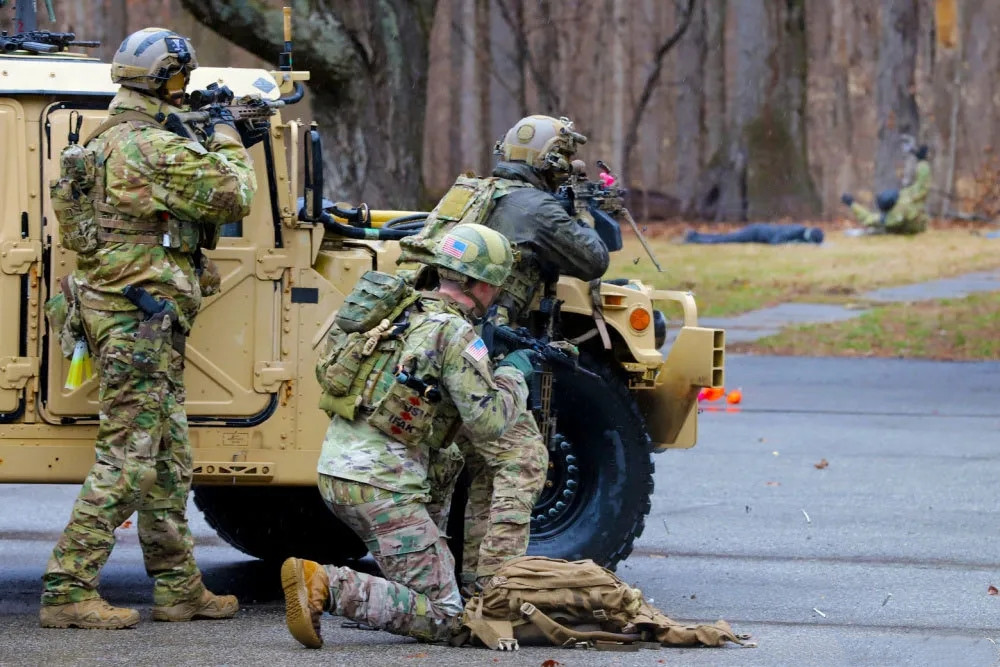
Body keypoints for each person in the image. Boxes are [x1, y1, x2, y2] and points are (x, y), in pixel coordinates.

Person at [40, 27, 258, 629]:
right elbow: (234, 194)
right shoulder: (150, 148)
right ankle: (66, 588)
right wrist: (228, 135)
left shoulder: (113, 139)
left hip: (136, 313)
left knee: (168, 457)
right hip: (139, 318)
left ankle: (178, 587)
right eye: (181, 81)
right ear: (168, 80)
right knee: (130, 457)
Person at [282, 224, 534, 648]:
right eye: (493, 284)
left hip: (338, 474)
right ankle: (326, 584)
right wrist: (514, 374)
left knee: (422, 584)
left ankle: (381, 603)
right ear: (475, 283)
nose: (495, 294)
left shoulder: (395, 311)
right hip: (384, 489)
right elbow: (490, 422)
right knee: (447, 616)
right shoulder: (453, 333)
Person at [401, 115, 610, 592]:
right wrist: (577, 209)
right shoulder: (536, 207)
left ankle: (446, 585)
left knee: (464, 464)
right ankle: (491, 588)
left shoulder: (470, 193)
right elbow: (594, 257)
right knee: (518, 459)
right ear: (550, 162)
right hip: (484, 347)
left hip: (437, 340)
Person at [842, 144, 931, 235]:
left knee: (874, 230)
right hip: (919, 225)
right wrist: (922, 161)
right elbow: (922, 185)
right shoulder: (907, 197)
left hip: (912, 226)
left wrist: (851, 204)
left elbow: (867, 217)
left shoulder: (889, 217)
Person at [683, 223, 824, 245]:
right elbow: (776, 241)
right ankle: (695, 237)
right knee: (726, 239)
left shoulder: (800, 231)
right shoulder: (796, 231)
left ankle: (695, 236)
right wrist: (793, 243)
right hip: (756, 232)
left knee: (726, 237)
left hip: (758, 231)